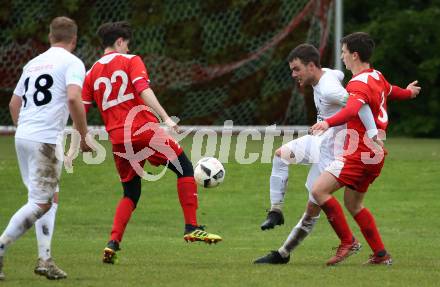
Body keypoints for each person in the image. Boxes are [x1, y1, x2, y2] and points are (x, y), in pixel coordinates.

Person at [254, 43, 419, 265]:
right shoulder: (370, 75)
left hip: (346, 150)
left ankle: (291, 251)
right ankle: (276, 211)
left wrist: (367, 131)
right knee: (283, 155)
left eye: (296, 69)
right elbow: (385, 89)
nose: (293, 75)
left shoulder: (340, 88)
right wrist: (409, 92)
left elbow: (356, 107)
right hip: (330, 143)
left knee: (316, 198)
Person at [79, 21, 222, 264]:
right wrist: (165, 118)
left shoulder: (90, 73)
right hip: (144, 131)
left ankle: (113, 242)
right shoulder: (131, 60)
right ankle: (191, 227)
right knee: (184, 168)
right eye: (127, 44)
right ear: (120, 42)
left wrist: (83, 137)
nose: (127, 48)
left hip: (119, 141)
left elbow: (80, 108)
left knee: (131, 193)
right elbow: (143, 89)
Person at [310, 32, 420, 266]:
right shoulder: (377, 76)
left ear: (355, 55)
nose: (342, 58)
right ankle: (381, 254)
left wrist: (327, 122)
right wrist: (409, 93)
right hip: (376, 152)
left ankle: (347, 242)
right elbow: (392, 91)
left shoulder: (357, 83)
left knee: (318, 191)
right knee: (353, 204)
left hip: (361, 151)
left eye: (344, 53)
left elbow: (351, 111)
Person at [0, 16, 90, 280]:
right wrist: (83, 135)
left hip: (24, 136)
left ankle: (45, 259)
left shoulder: (33, 63)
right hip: (45, 140)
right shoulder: (73, 62)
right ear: (73, 40)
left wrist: (26, 130)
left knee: (49, 197)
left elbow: (13, 105)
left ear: (50, 37)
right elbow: (74, 97)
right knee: (40, 202)